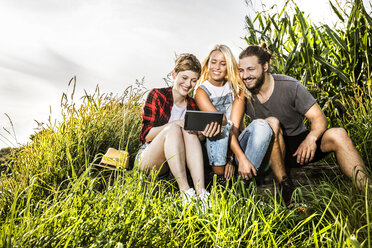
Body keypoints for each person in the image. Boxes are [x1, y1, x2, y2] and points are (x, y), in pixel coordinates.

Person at [236, 43, 367, 189]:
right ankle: (285, 186)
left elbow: (319, 118)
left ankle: (366, 189)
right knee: (272, 123)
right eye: (241, 70)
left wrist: (310, 139)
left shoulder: (290, 86)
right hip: (270, 153)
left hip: (300, 148)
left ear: (265, 67)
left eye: (251, 69)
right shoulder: (243, 94)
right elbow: (238, 128)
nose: (245, 76)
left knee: (338, 134)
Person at [195, 44, 288, 190]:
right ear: (208, 64)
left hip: (235, 146)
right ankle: (221, 183)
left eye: (223, 63)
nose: (217, 67)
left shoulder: (237, 90)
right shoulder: (201, 92)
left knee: (262, 125)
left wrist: (233, 159)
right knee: (219, 125)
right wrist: (235, 159)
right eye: (213, 62)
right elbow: (223, 126)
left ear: (229, 66)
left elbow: (235, 127)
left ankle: (243, 183)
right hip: (213, 151)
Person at [136, 53, 219, 205]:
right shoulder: (157, 95)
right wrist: (176, 123)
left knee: (189, 129)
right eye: (184, 78)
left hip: (177, 161)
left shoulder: (193, 105)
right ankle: (186, 192)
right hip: (151, 158)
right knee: (175, 128)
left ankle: (201, 194)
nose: (188, 84)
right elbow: (147, 135)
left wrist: (201, 134)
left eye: (193, 80)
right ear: (174, 75)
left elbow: (195, 141)